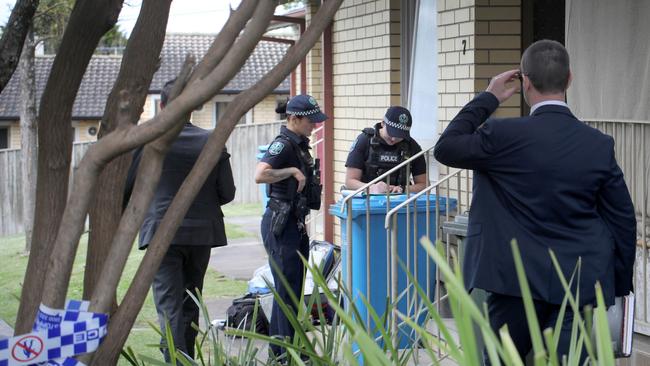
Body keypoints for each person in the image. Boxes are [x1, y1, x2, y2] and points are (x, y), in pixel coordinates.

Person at [434, 39, 636, 363]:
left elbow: (446, 147)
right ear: (569, 79)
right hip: (580, 280)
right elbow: (622, 219)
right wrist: (619, 284)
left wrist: (489, 97)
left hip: (512, 279)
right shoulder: (598, 144)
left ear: (524, 82)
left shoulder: (500, 136)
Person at [124, 79, 236, 361]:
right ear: (192, 107)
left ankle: (175, 359)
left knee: (169, 304)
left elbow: (125, 191)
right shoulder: (211, 140)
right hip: (201, 234)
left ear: (162, 106)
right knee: (190, 300)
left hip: (160, 233)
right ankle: (186, 358)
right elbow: (227, 192)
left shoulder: (147, 142)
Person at [254, 94, 327, 361]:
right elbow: (260, 174)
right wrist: (291, 173)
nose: (315, 126)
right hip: (280, 225)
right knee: (285, 291)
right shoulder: (283, 145)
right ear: (294, 118)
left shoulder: (299, 145)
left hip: (294, 223)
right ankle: (283, 353)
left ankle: (288, 348)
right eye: (311, 121)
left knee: (294, 291)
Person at [345, 106, 427, 193]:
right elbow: (350, 182)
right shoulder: (365, 140)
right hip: (368, 202)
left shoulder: (411, 146)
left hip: (400, 202)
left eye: (400, 136)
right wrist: (371, 188)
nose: (394, 139)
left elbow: (424, 185)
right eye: (391, 133)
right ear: (383, 123)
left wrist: (403, 189)